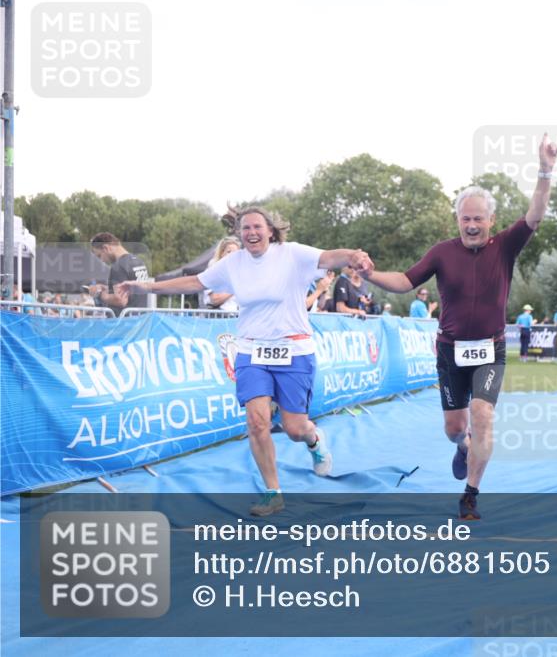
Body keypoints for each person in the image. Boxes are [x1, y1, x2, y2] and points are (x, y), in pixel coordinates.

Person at [116, 206, 373, 517]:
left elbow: (330, 257)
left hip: (293, 349)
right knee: (257, 421)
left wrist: (354, 255)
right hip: (252, 350)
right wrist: (146, 286)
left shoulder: (292, 253)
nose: (251, 233)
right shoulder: (233, 263)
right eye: (245, 228)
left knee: (294, 428)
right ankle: (273, 493)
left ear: (270, 230)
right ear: (238, 233)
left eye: (257, 227)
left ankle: (314, 439)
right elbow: (195, 283)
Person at [362, 134, 557, 520]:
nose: (471, 225)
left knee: (483, 414)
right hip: (450, 351)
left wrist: (545, 170)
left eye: (478, 218)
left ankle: (470, 493)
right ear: (457, 220)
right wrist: (371, 275)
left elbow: (535, 214)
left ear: (491, 221)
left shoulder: (505, 246)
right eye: (465, 218)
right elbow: (405, 281)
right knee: (455, 427)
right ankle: (463, 446)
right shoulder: (442, 252)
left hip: (490, 349)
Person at [88, 232, 151, 316]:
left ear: (106, 248)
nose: (102, 260)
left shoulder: (119, 266)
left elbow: (120, 300)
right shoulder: (138, 261)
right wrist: (105, 288)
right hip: (140, 318)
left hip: (124, 321)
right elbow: (130, 292)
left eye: (99, 256)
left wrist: (99, 294)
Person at [205, 237, 241, 312]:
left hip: (237, 316)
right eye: (229, 252)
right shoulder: (213, 271)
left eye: (235, 253)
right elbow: (215, 299)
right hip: (219, 315)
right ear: (222, 253)